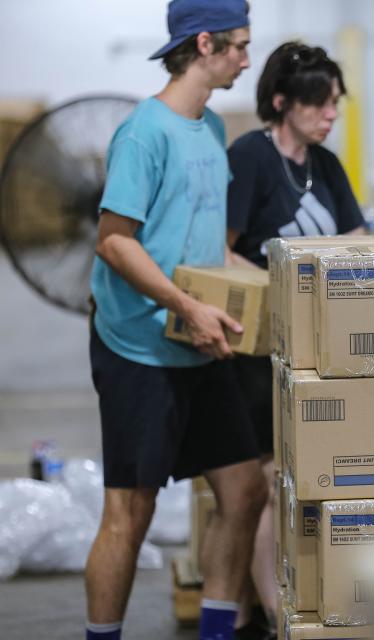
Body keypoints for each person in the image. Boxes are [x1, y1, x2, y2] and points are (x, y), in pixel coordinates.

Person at [85, 2, 267, 640]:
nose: (248, 59)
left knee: (246, 492)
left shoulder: (211, 129)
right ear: (206, 43)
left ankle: (217, 634)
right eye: (240, 46)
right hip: (139, 346)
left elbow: (209, 245)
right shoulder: (144, 132)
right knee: (130, 515)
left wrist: (285, 286)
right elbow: (114, 240)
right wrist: (185, 305)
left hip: (198, 341)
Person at [225, 41, 365, 634]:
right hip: (259, 352)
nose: (330, 114)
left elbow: (359, 241)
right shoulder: (251, 158)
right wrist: (283, 295)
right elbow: (220, 253)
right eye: (319, 103)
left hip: (318, 352)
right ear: (282, 101)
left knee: (306, 478)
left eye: (335, 103)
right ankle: (275, 618)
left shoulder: (325, 164)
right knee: (264, 483)